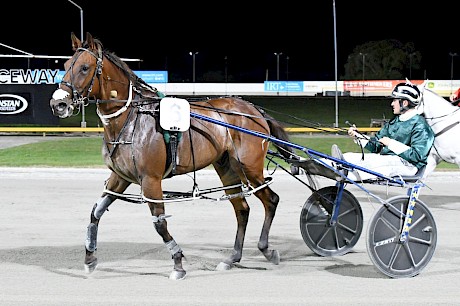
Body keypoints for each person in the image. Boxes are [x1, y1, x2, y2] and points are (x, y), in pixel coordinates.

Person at [336, 82, 435, 181]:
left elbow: (417, 156)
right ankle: (333, 164)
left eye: (395, 100)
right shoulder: (394, 121)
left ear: (404, 103)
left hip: (408, 166)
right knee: (350, 156)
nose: (392, 104)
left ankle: (346, 172)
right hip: (389, 160)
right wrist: (358, 136)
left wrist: (391, 143)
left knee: (378, 162)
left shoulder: (421, 126)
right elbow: (376, 146)